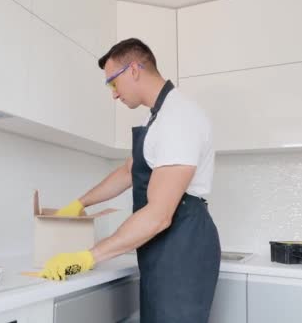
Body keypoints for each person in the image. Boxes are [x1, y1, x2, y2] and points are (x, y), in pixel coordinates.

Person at [37, 38, 221, 323]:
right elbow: (128, 172)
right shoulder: (157, 120)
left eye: (112, 82)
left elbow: (159, 215)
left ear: (134, 69)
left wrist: (87, 257)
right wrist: (79, 204)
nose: (113, 93)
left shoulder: (178, 119)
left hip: (182, 245)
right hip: (163, 247)